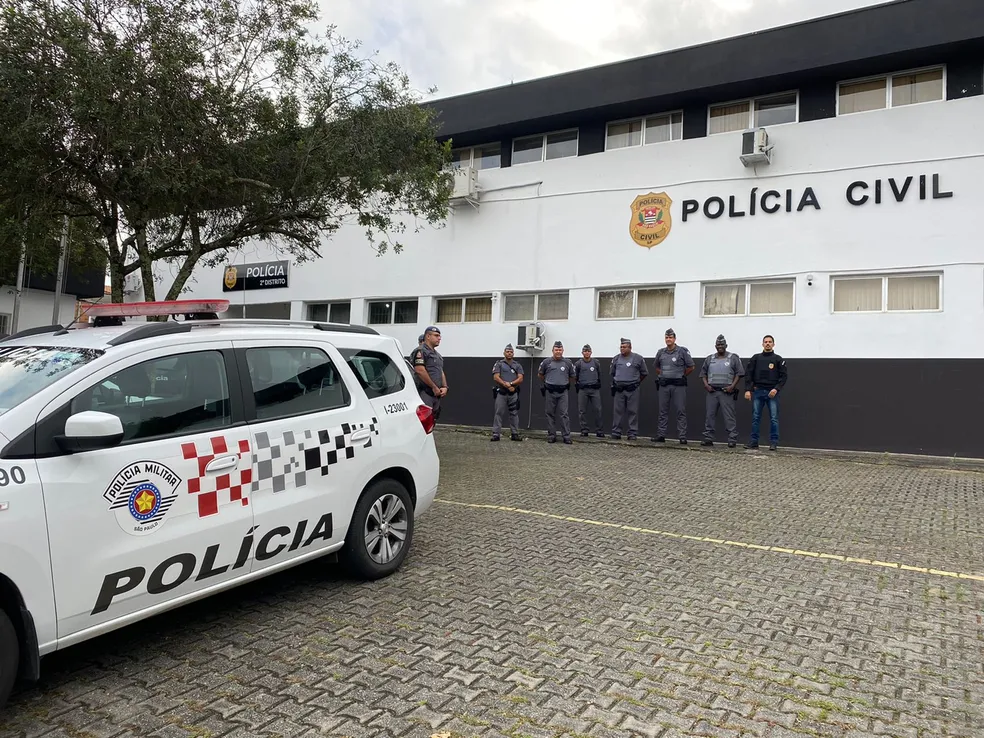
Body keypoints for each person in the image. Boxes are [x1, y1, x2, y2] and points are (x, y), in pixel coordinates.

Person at [699, 334, 744, 448]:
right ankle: (708, 438)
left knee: (729, 416)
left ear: (726, 345)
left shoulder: (733, 358)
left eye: (722, 345)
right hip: (712, 392)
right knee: (710, 416)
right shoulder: (709, 358)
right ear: (715, 346)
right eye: (718, 345)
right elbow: (703, 374)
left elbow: (739, 373)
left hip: (726, 392)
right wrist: (706, 385)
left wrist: (732, 386)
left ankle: (732, 439)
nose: (720, 346)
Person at [744, 334, 787, 450]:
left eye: (770, 342)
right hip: (758, 392)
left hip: (772, 393)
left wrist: (776, 389)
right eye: (765, 342)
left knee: (774, 418)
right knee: (755, 418)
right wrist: (748, 389)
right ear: (762, 344)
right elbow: (748, 374)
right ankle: (753, 442)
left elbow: (783, 377)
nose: (767, 343)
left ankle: (773, 443)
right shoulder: (755, 358)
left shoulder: (778, 359)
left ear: (773, 344)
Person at [652, 328, 694, 444]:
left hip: (678, 386)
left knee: (680, 410)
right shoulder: (661, 352)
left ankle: (682, 436)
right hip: (664, 386)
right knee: (662, 411)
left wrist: (681, 375)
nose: (668, 339)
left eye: (670, 337)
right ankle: (661, 435)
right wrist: (663, 375)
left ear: (674, 339)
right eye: (666, 337)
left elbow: (691, 367)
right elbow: (656, 366)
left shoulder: (682, 351)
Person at [610, 337, 648, 440]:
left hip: (632, 389)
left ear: (630, 347)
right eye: (621, 347)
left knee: (633, 411)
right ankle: (616, 432)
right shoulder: (616, 358)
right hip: (619, 389)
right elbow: (612, 373)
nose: (622, 349)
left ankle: (632, 433)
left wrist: (636, 382)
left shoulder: (638, 358)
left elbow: (644, 373)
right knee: (618, 411)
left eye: (624, 347)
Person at [538, 340, 575, 444]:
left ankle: (566, 436)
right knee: (550, 414)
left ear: (563, 350)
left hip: (563, 392)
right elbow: (540, 374)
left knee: (564, 414)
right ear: (552, 350)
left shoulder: (568, 362)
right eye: (556, 350)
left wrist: (564, 382)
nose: (558, 352)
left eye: (560, 349)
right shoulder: (546, 362)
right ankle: (551, 435)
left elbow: (572, 376)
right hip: (550, 391)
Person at [411, 326, 447, 420]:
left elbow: (441, 371)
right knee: (423, 421)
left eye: (439, 336)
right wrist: (434, 387)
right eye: (436, 335)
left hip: (436, 394)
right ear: (428, 336)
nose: (439, 338)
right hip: (425, 392)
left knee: (432, 420)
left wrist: (445, 387)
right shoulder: (421, 351)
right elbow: (420, 370)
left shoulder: (437, 355)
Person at [491, 343, 524, 442]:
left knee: (514, 413)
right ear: (504, 353)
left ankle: (515, 433)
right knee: (499, 413)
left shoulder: (517, 365)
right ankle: (496, 434)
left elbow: (521, 378)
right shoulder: (499, 364)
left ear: (513, 353)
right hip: (501, 393)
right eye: (507, 352)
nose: (509, 353)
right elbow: (496, 377)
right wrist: (506, 385)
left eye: (511, 352)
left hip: (513, 393)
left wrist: (511, 384)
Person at [573, 344, 604, 438]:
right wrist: (577, 385)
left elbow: (599, 374)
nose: (587, 353)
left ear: (591, 352)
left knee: (598, 410)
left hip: (594, 389)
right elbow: (575, 376)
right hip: (583, 389)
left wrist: (597, 383)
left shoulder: (596, 362)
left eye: (588, 351)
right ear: (582, 352)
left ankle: (599, 431)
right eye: (585, 351)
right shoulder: (578, 363)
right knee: (582, 411)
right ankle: (584, 430)